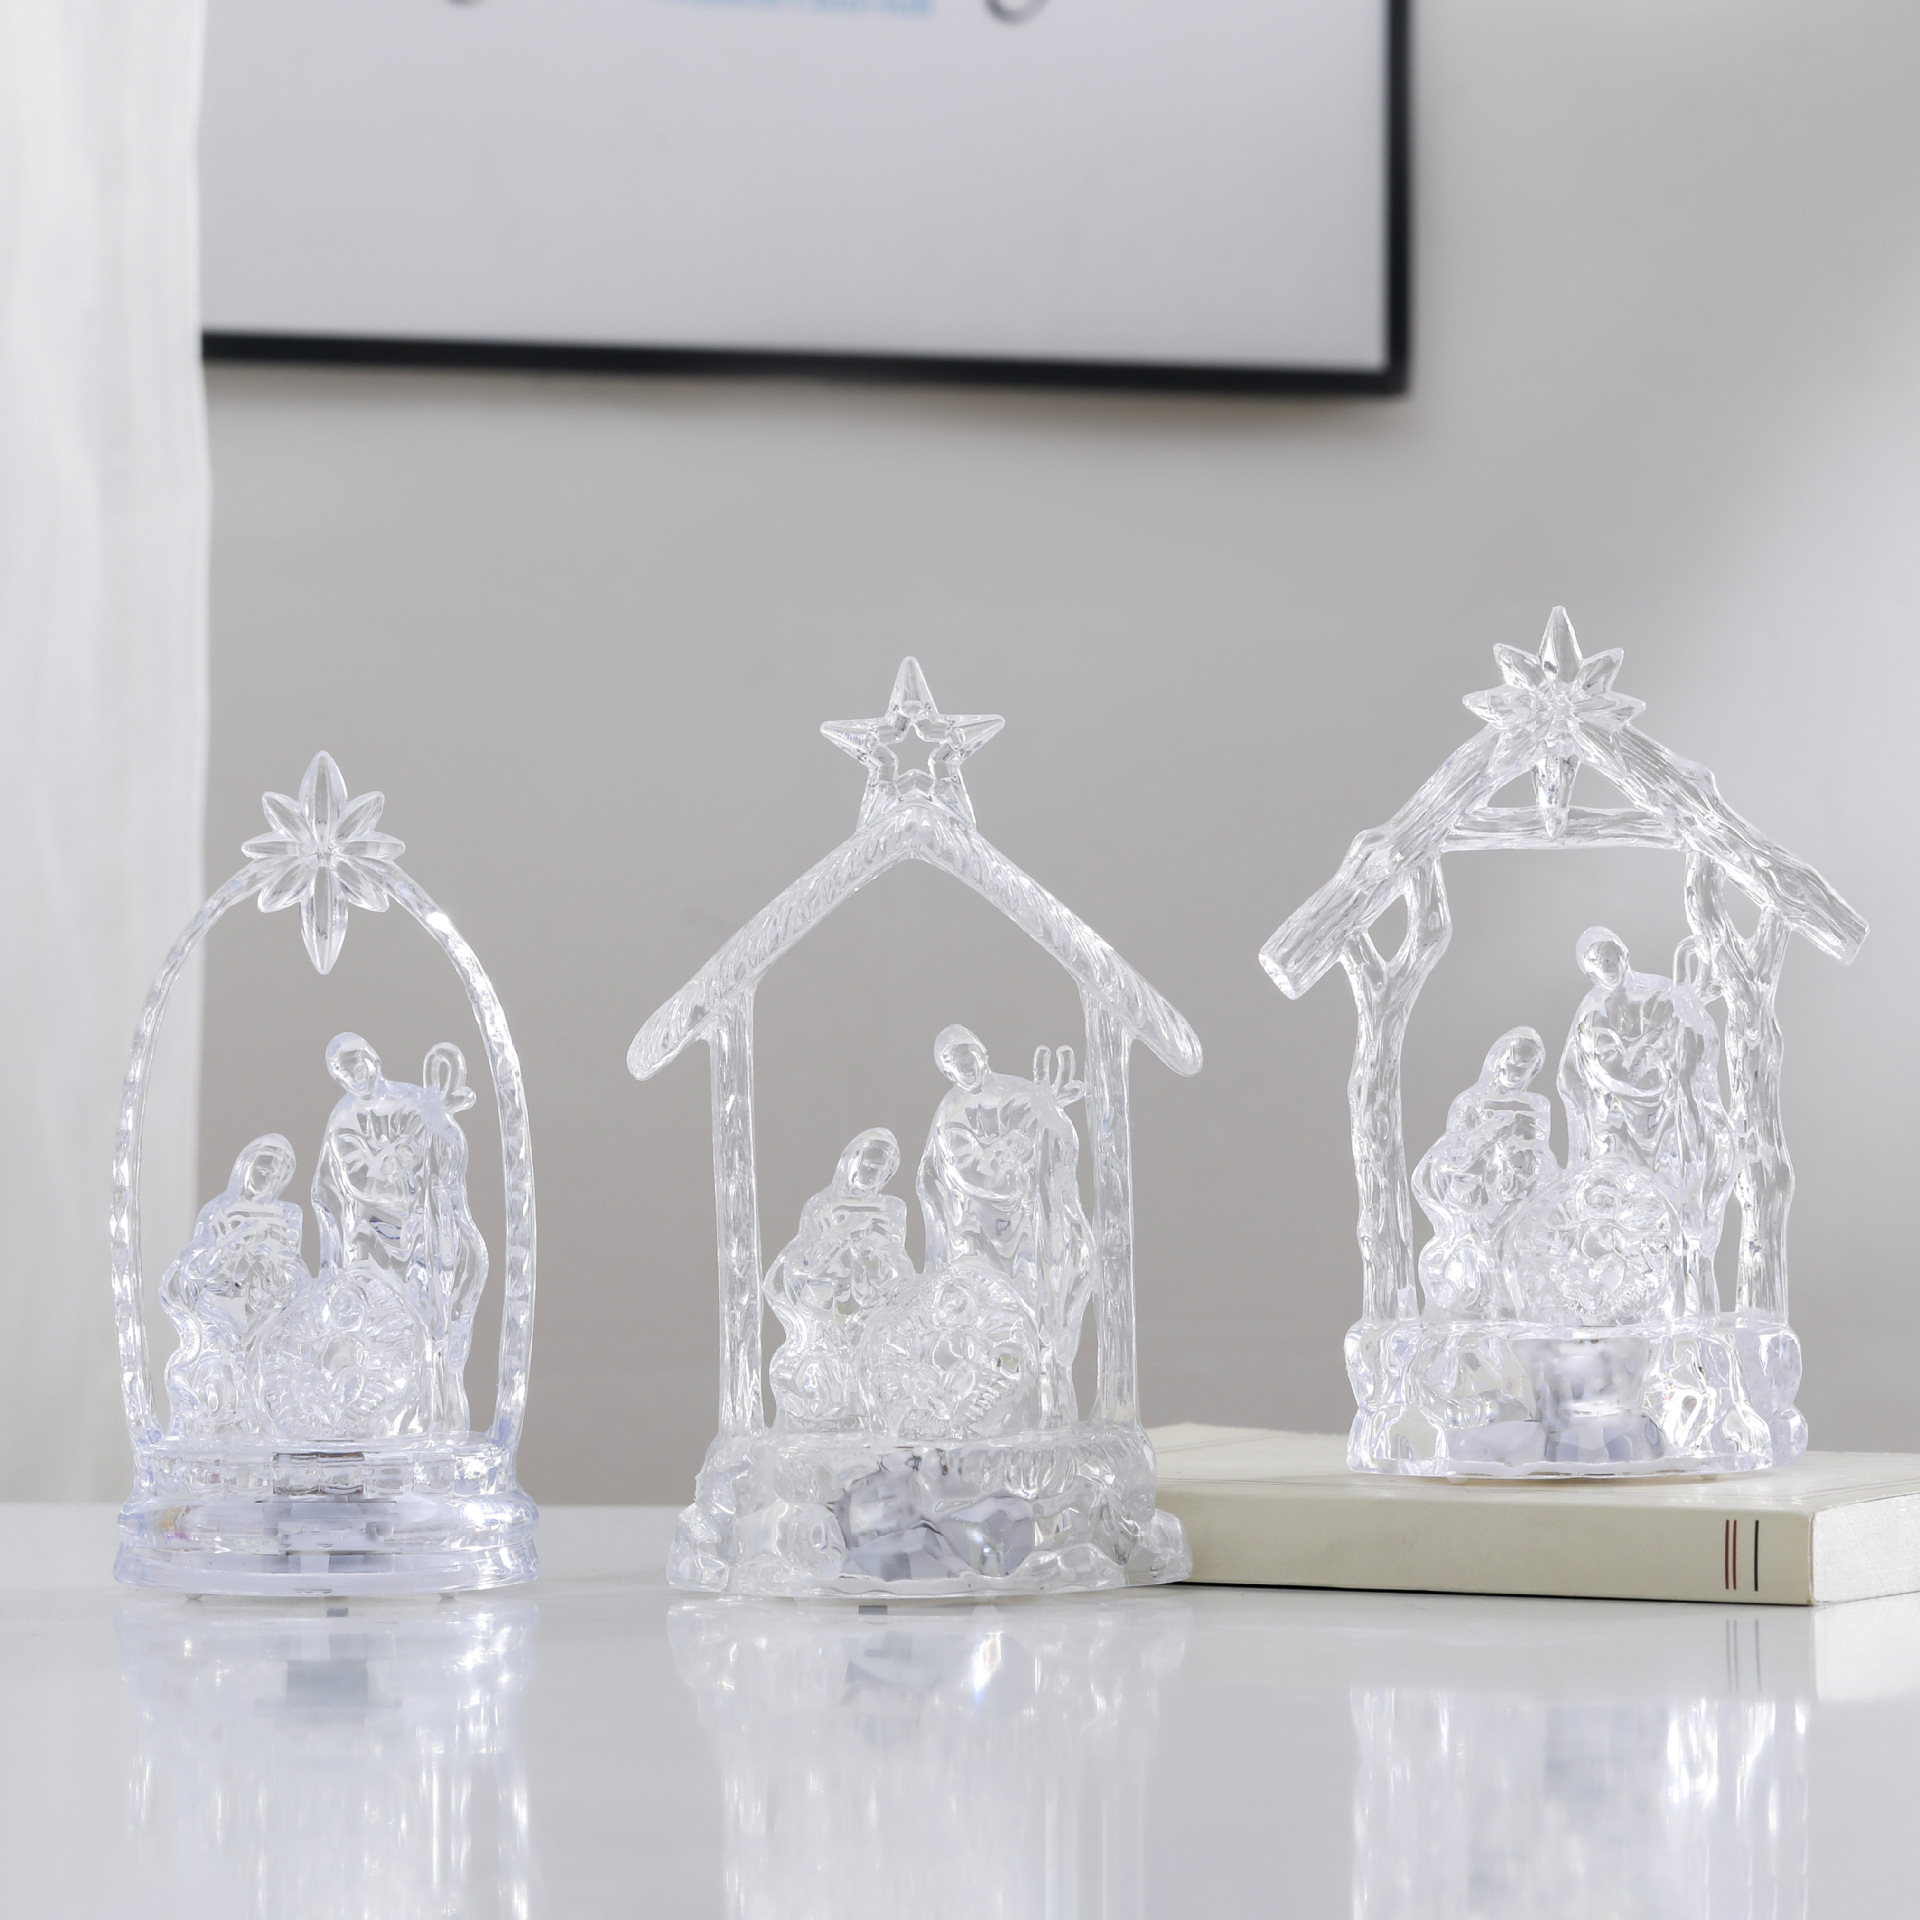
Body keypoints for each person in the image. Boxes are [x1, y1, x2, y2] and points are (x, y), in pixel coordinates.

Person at [765, 1129, 918, 1431]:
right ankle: (823, 1414)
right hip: (830, 1295)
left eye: (882, 1169)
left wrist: (896, 1277)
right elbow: (806, 1253)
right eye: (868, 1164)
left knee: (872, 1363)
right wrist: (841, 1236)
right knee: (829, 1363)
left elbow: (895, 1254)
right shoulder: (823, 1205)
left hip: (874, 1294)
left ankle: (870, 1420)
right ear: (852, 1161)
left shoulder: (893, 1208)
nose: (872, 1173)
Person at [160, 1135, 309, 1436]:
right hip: (220, 1313)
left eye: (277, 1175)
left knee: (268, 1384)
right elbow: (198, 1266)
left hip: (265, 1315)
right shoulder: (219, 1210)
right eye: (263, 1170)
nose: (268, 1180)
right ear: (247, 1167)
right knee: (218, 1382)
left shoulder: (288, 1215)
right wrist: (235, 1242)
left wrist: (273, 1265)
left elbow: (295, 1275)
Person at [1412, 1028, 1558, 1317]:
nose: (1516, 1070)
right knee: (1474, 1248)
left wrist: (1522, 1159)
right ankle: (1477, 1303)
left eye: (1526, 1066)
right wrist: (1493, 1130)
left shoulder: (1537, 1105)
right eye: (1512, 1060)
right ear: (1498, 1059)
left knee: (1516, 1244)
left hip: (1516, 1189)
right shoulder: (1469, 1103)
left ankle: (1510, 1304)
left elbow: (1541, 1153)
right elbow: (1456, 1153)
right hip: (1473, 1190)